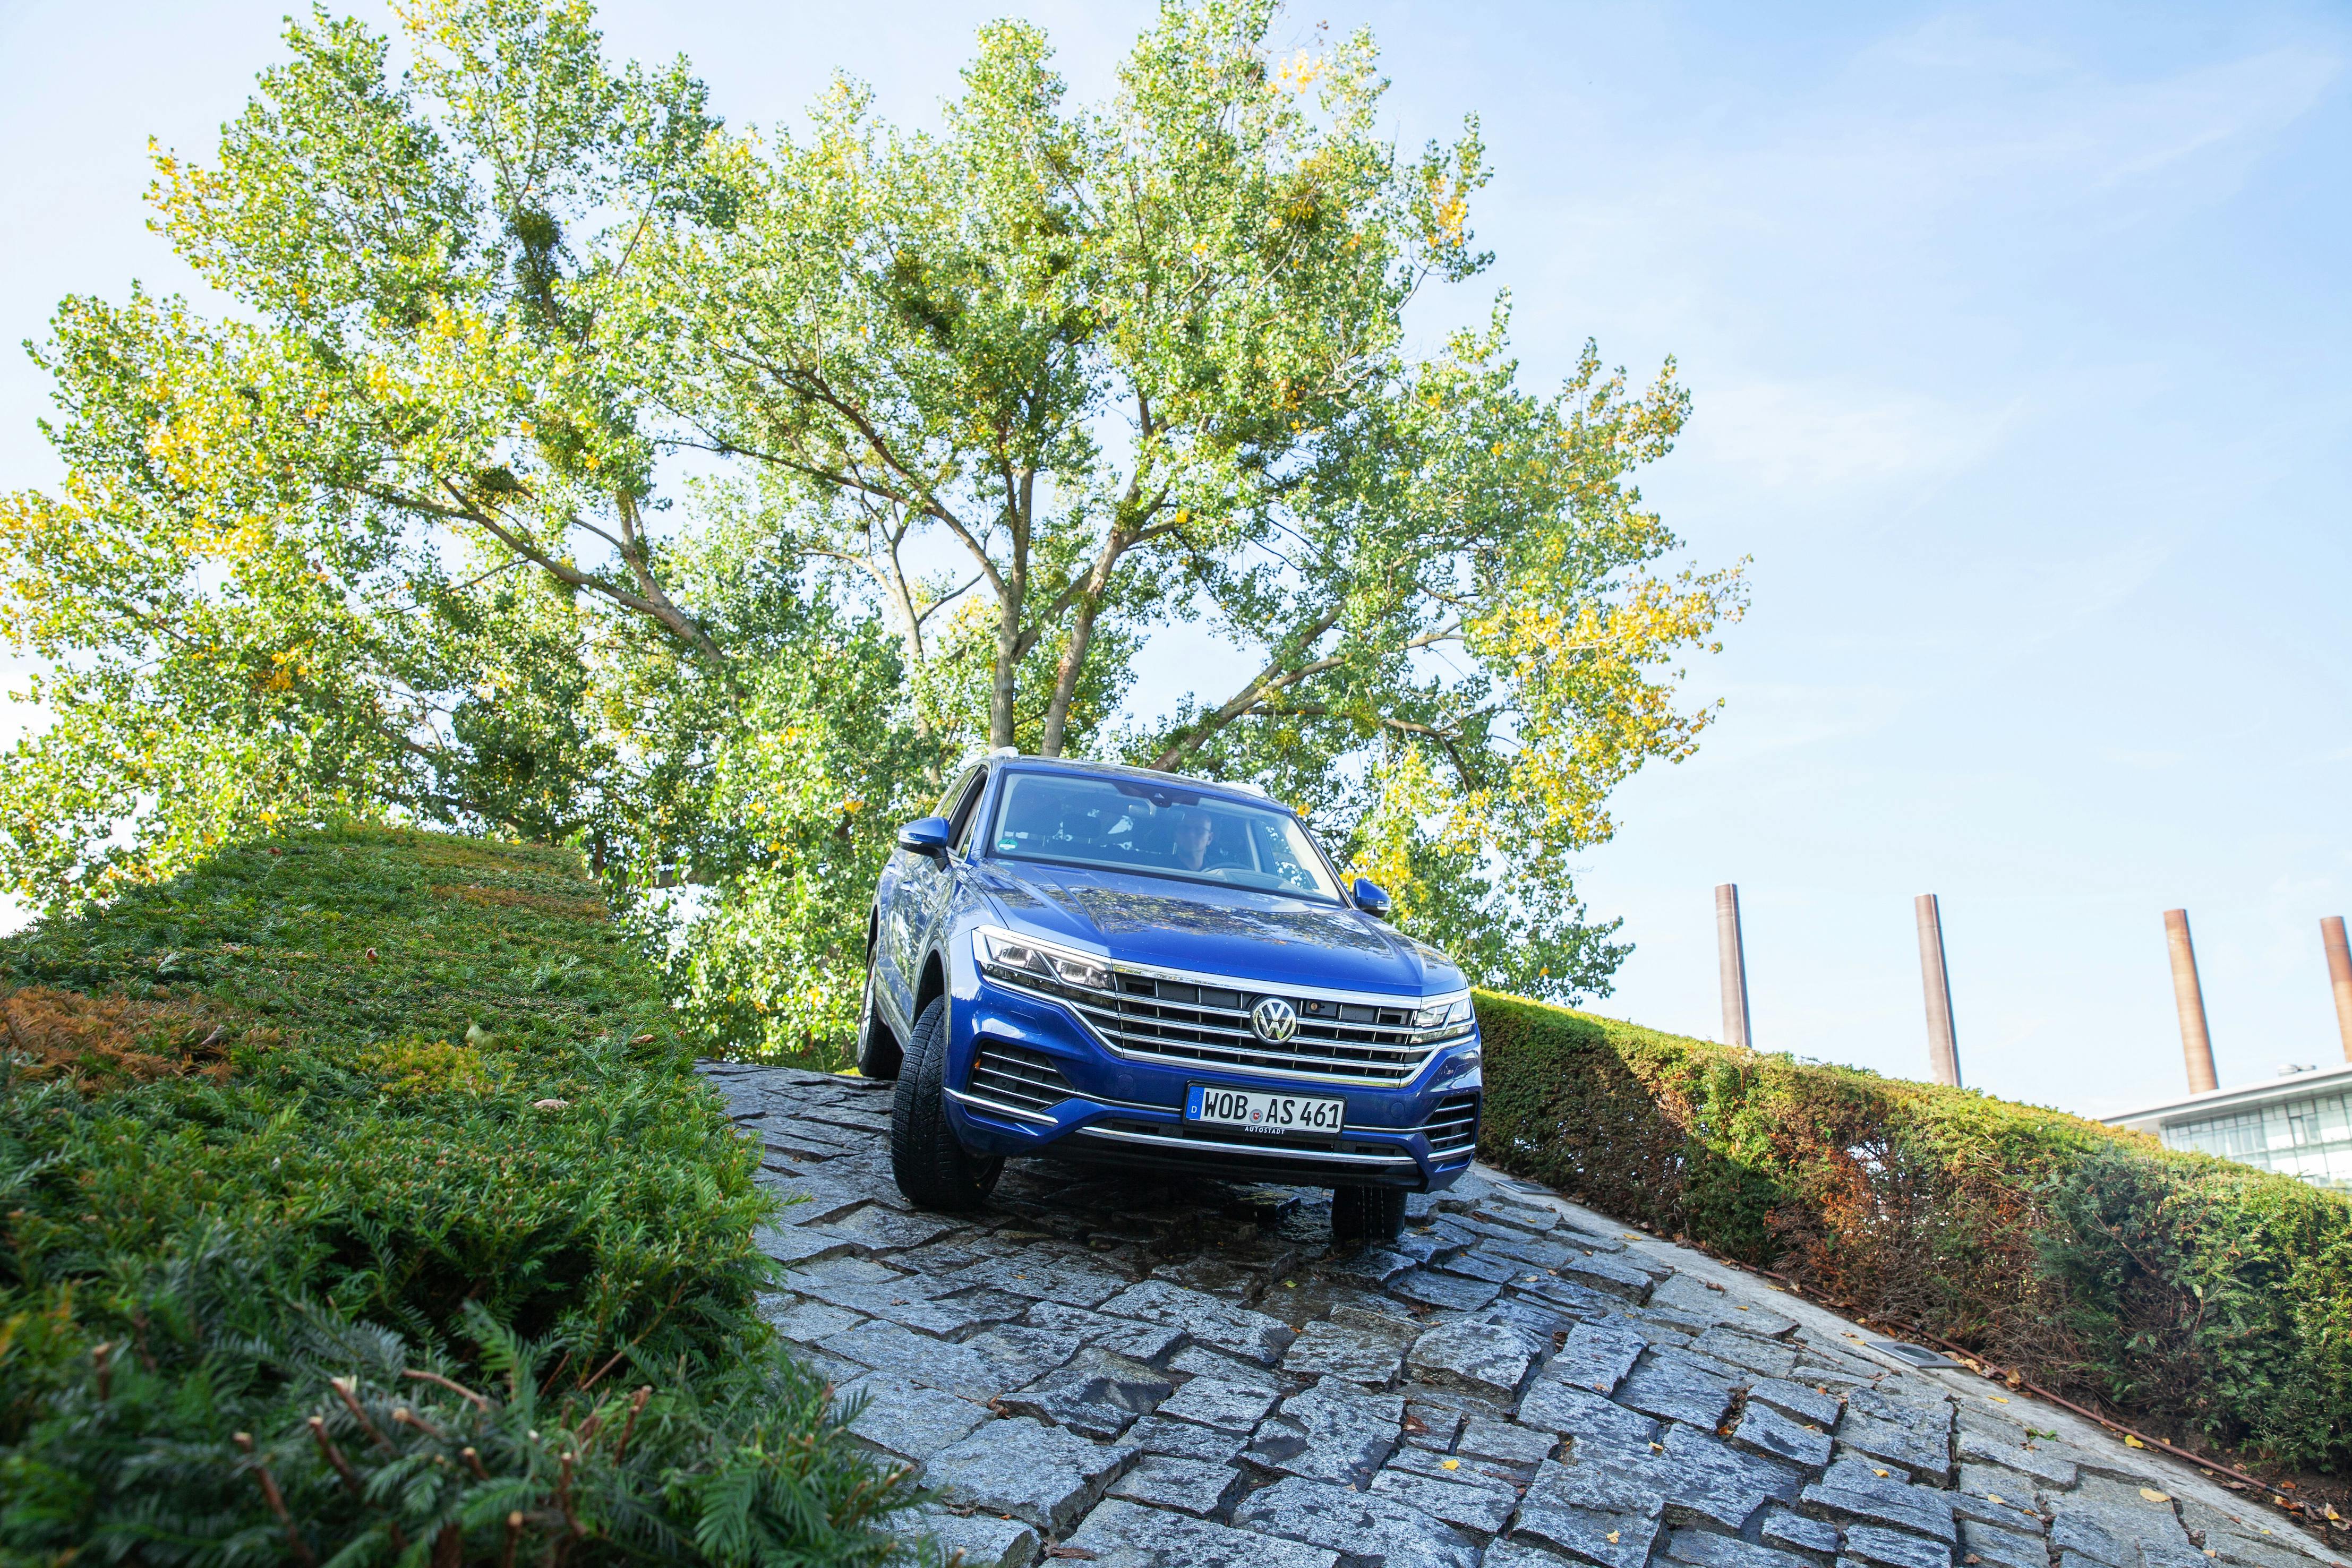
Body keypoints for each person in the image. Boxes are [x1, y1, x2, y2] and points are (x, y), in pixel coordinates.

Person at [1171, 808, 1216, 872]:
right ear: (1175, 835)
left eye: (1199, 830)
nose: (1191, 835)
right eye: (1185, 829)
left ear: (1209, 839)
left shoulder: (1222, 870)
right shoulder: (1158, 867)